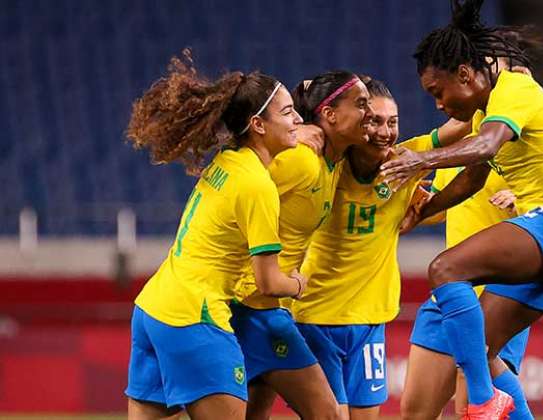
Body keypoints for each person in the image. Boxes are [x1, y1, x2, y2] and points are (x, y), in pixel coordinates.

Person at [380, 1, 543, 418]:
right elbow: (473, 177)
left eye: (438, 92)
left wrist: (420, 160)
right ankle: (494, 401)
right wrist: (427, 205)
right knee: (481, 350)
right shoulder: (488, 111)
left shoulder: (514, 91)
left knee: (444, 269)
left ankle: (483, 401)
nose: (438, 104)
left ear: (465, 75)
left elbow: (484, 146)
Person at [124, 49, 305, 420]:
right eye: (288, 112)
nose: (298, 119)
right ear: (257, 125)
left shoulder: (227, 161)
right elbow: (268, 282)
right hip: (193, 316)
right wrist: (298, 284)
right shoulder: (257, 185)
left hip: (153, 309)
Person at [292, 77, 470, 420]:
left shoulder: (407, 161)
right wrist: (302, 131)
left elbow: (463, 126)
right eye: (374, 120)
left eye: (393, 122)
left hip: (370, 322)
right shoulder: (328, 164)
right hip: (315, 317)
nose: (386, 132)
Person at [230, 70, 373, 420]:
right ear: (330, 114)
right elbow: (240, 186)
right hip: (248, 305)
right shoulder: (300, 160)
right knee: (329, 414)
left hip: (267, 305)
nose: (369, 113)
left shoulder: (333, 163)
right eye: (361, 104)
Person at [401, 166, 531, 420]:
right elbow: (437, 211)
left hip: (497, 299)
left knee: (473, 413)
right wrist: (413, 202)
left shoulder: (529, 149)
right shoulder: (457, 154)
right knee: (415, 414)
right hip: (448, 295)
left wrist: (525, 202)